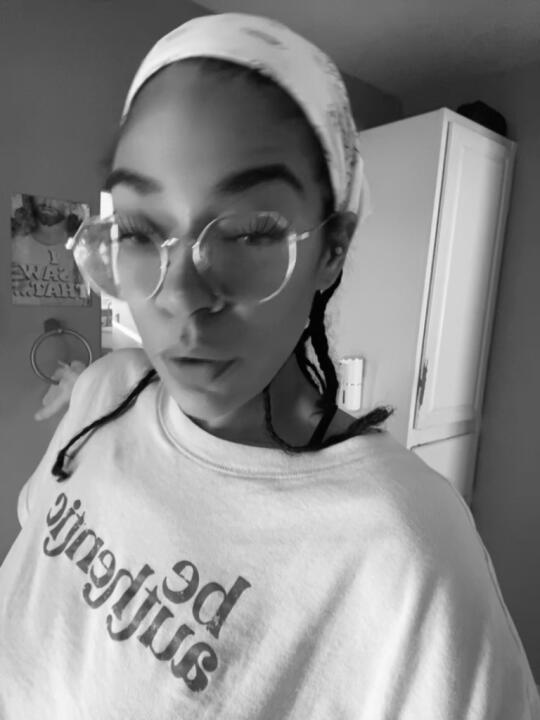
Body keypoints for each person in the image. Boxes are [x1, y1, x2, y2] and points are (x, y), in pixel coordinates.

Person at [0, 13, 538, 720]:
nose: (180, 297)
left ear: (333, 249)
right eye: (138, 231)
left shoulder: (410, 553)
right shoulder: (105, 392)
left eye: (252, 232)